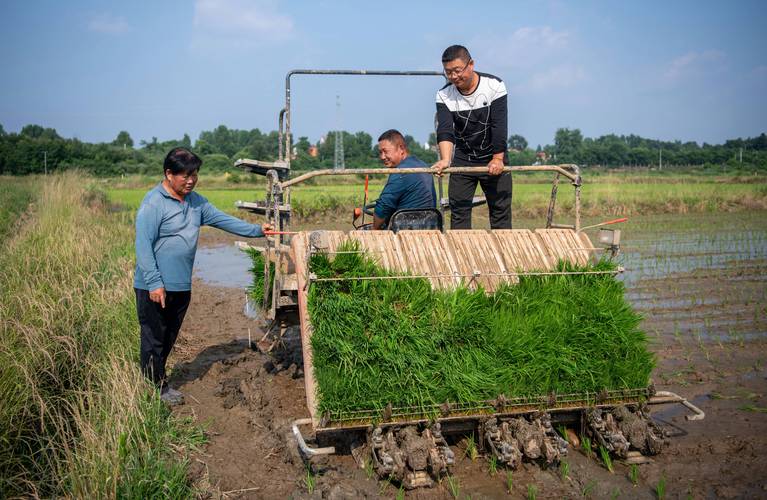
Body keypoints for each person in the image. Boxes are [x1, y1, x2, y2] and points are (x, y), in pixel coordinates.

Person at [134, 147, 272, 405]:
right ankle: (156, 389)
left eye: (194, 174)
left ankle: (155, 380)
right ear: (168, 174)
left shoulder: (197, 203)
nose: (191, 180)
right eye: (185, 175)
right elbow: (142, 246)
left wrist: (257, 230)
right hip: (155, 286)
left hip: (180, 285)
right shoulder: (153, 203)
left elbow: (223, 220)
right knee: (154, 337)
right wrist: (154, 283)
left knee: (168, 336)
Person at [432, 44, 511, 229]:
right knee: (458, 213)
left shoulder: (494, 86)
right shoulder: (444, 95)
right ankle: (461, 256)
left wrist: (498, 159)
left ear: (471, 64)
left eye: (457, 71)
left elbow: (498, 125)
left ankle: (506, 256)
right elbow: (445, 129)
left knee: (501, 213)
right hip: (463, 159)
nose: (454, 77)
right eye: (448, 72)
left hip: (493, 156)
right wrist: (445, 160)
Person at [373, 129, 437, 230]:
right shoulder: (422, 165)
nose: (382, 157)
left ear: (401, 149)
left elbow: (382, 208)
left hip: (405, 230)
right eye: (380, 152)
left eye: (385, 151)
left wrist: (374, 230)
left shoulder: (400, 171)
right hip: (430, 226)